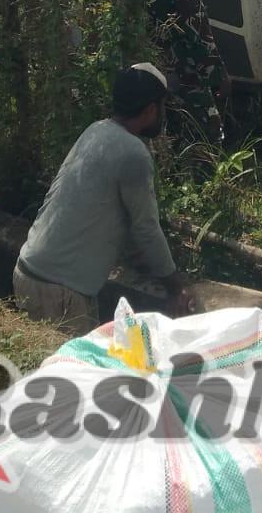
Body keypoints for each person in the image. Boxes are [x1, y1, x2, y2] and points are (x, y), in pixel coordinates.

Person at [13, 63, 192, 333]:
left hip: (29, 272)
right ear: (151, 110)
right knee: (74, 374)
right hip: (61, 292)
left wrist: (135, 255)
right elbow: (146, 227)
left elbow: (104, 208)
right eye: (163, 105)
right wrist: (176, 289)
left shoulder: (96, 130)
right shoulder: (134, 153)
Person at [146, 0, 232, 143]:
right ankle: (207, 177)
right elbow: (196, 25)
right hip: (188, 69)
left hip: (157, 68)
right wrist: (217, 72)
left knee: (170, 133)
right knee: (208, 135)